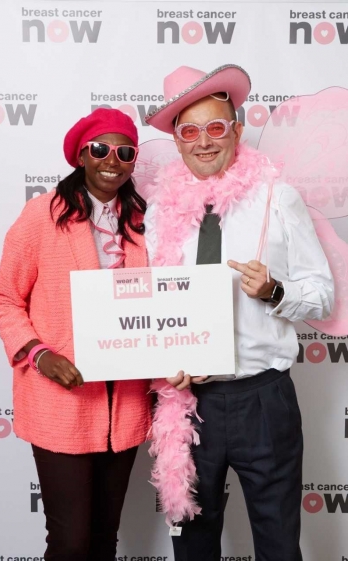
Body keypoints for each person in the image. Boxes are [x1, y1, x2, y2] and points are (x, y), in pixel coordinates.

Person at [144, 65, 334, 561]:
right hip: (188, 404)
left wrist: (274, 290)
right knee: (194, 546)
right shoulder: (158, 211)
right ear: (177, 142)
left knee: (277, 544)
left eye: (215, 127)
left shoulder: (278, 198)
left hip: (262, 399)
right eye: (190, 131)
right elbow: (151, 304)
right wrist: (163, 361)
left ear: (237, 131)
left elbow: (321, 294)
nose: (203, 142)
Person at [0, 108, 152, 561]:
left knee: (104, 538)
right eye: (100, 149)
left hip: (126, 404)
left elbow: (162, 307)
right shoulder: (42, 214)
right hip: (61, 402)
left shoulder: (144, 220)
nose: (112, 160)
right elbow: (5, 299)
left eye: (125, 152)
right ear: (81, 155)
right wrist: (40, 354)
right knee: (71, 541)